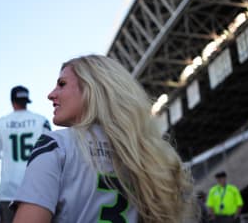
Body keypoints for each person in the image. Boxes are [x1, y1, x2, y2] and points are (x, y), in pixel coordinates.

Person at [11, 55, 194, 223]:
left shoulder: (56, 145)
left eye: (62, 84)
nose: (51, 94)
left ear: (92, 88)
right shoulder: (143, 153)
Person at [0, 85, 51, 223]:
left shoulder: (0, 124)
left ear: (12, 101)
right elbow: (50, 155)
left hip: (9, 189)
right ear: (27, 101)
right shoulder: (41, 121)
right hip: (36, 187)